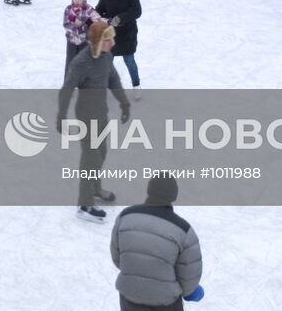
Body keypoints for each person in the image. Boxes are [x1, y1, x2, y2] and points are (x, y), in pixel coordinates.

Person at [58, 22, 130, 223]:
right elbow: (67, 89)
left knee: (101, 153)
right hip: (86, 116)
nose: (113, 43)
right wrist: (61, 115)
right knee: (91, 157)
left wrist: (124, 103)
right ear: (98, 42)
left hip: (101, 113)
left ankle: (95, 188)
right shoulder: (81, 62)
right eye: (109, 40)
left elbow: (113, 80)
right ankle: (84, 204)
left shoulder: (106, 57)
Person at [109, 174, 204, 311]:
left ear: (149, 190)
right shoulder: (183, 231)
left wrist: (137, 273)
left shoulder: (125, 217)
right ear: (174, 196)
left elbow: (118, 257)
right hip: (165, 302)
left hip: (129, 295)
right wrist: (189, 292)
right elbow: (189, 276)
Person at [95, 0, 143, 91]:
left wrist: (120, 18)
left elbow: (137, 11)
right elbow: (99, 9)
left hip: (127, 33)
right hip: (110, 34)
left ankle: (136, 84)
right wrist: (97, 18)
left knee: (129, 60)